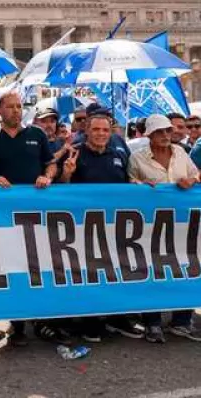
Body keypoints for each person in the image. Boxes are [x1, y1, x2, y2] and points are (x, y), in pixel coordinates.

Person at [0, 91, 57, 347]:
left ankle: (43, 320)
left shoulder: (37, 135)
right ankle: (18, 324)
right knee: (13, 268)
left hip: (36, 213)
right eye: (10, 107)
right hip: (4, 216)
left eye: (18, 106)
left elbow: (51, 164)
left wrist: (48, 177)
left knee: (38, 266)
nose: (15, 110)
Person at [59, 112, 144, 343]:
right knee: (89, 275)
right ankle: (91, 322)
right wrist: (67, 173)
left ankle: (118, 318)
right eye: (96, 130)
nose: (101, 134)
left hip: (115, 226)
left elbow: (127, 182)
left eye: (105, 130)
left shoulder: (118, 153)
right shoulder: (74, 152)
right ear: (87, 130)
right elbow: (60, 190)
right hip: (83, 227)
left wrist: (136, 184)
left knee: (118, 272)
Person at [128, 114, 201, 344]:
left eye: (168, 131)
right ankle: (152, 323)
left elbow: (196, 174)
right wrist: (140, 187)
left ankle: (181, 321)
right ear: (149, 134)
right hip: (150, 226)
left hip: (183, 225)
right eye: (160, 132)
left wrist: (193, 179)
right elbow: (127, 185)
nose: (165, 136)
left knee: (187, 267)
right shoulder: (137, 158)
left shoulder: (181, 153)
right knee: (152, 271)